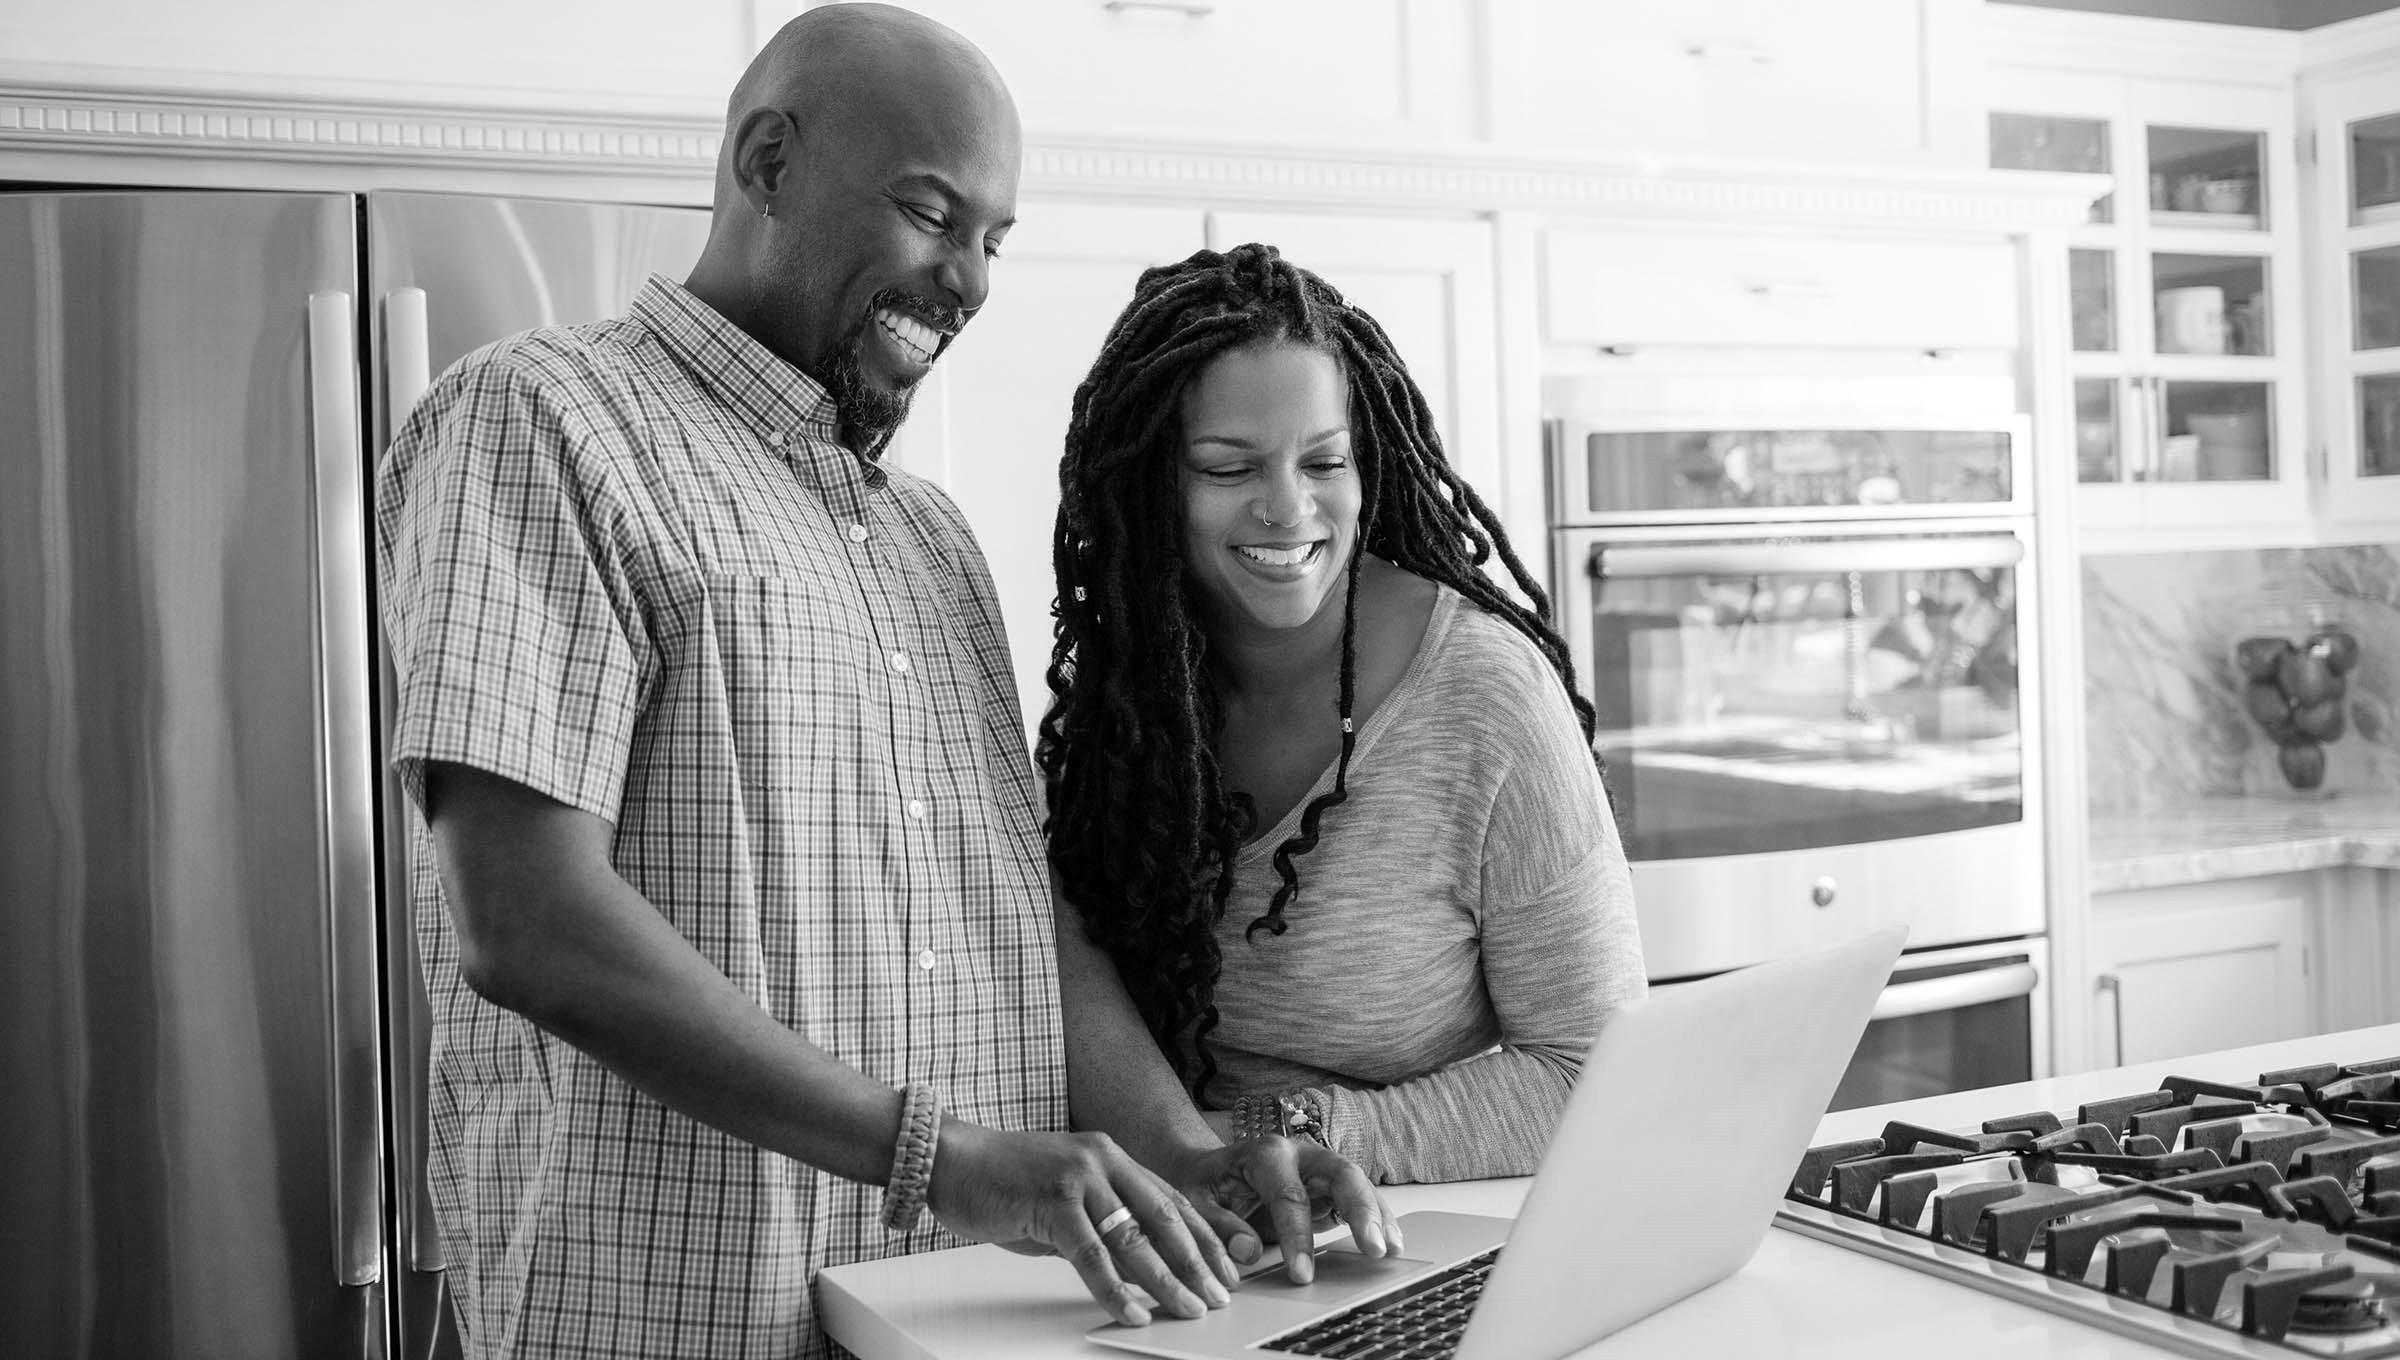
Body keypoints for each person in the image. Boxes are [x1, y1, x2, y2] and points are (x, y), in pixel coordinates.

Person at [373, 11, 1393, 1359]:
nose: (968, 279)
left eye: (995, 240)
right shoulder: (546, 420)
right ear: (768, 160)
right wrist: (947, 1160)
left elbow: (1019, 909)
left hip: (953, 1325)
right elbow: (529, 921)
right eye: (930, 211)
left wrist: (1183, 1151)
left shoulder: (931, 539)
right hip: (679, 1324)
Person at [1038, 244, 1647, 1184]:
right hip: (1162, 1227)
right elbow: (1071, 984)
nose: (1288, 508)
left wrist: (1291, 1136)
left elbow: (1599, 1074)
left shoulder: (1487, 696)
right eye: (1227, 467)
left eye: (1324, 461)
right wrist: (1199, 1162)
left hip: (1401, 1244)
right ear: (1151, 485)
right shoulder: (1129, 700)